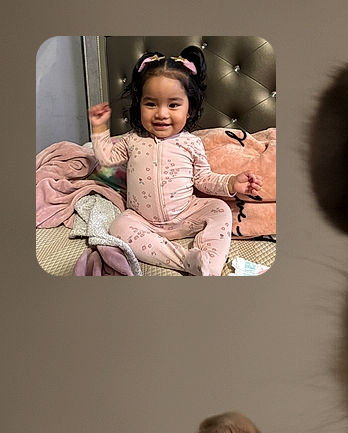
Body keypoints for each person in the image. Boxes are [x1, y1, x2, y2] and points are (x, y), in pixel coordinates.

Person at [87, 46, 262, 275]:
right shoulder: (132, 139)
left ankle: (210, 264)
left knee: (220, 209)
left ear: (189, 109)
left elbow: (203, 178)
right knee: (118, 226)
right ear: (139, 104)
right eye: (151, 104)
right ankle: (186, 261)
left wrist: (231, 183)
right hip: (142, 220)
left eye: (173, 105)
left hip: (185, 216)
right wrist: (99, 128)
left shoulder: (191, 143)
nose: (161, 113)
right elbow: (106, 158)